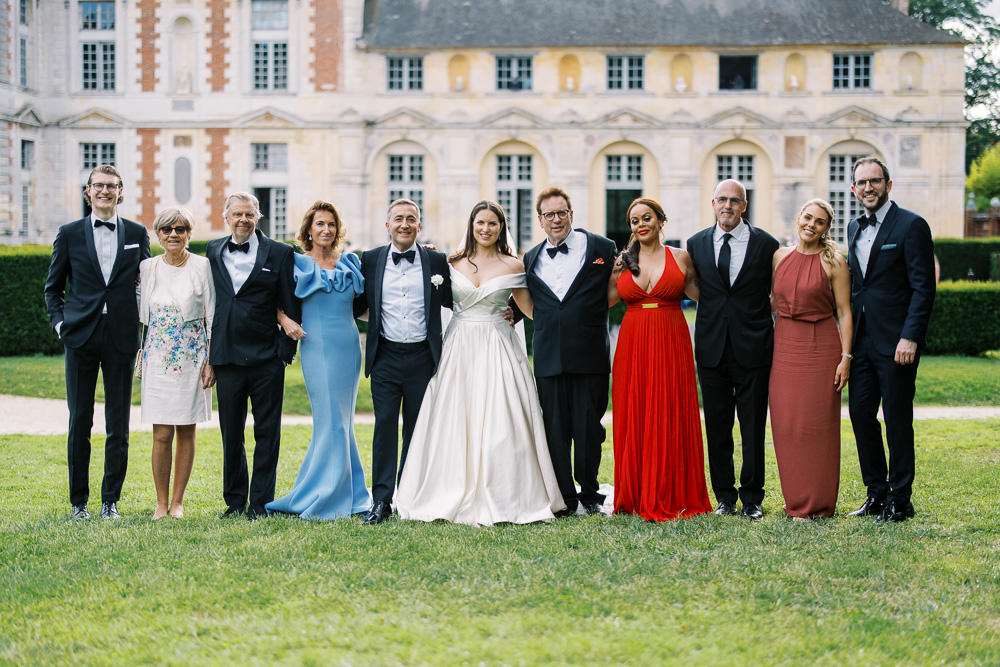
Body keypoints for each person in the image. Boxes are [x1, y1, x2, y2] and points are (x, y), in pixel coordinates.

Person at [396, 201, 565, 525]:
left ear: (501, 228)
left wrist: (515, 313)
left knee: (503, 416)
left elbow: (531, 310)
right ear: (471, 226)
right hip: (459, 346)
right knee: (455, 415)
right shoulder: (449, 262)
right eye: (480, 223)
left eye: (492, 224)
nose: (486, 229)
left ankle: (506, 490)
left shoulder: (514, 265)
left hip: (498, 345)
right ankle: (447, 486)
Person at [43, 164, 150, 520]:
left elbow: (149, 284)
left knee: (118, 423)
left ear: (122, 192)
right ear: (88, 192)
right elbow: (53, 289)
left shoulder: (137, 232)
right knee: (80, 420)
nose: (105, 191)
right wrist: (61, 326)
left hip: (121, 338)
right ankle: (78, 503)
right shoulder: (69, 233)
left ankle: (110, 501)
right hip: (81, 337)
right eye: (98, 186)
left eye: (112, 186)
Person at [514, 186, 617, 516]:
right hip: (548, 356)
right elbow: (529, 302)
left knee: (590, 428)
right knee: (554, 431)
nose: (556, 219)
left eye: (561, 213)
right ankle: (563, 496)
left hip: (589, 354)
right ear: (540, 220)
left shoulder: (601, 247)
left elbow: (614, 287)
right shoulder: (530, 258)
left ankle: (589, 492)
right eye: (549, 215)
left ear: (571, 215)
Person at [608, 197, 712, 521]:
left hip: (671, 338)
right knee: (635, 410)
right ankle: (635, 492)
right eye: (635, 220)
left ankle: (673, 490)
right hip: (633, 341)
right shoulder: (622, 262)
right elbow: (599, 301)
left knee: (671, 409)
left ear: (660, 220)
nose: (641, 224)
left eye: (647, 217)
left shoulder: (681, 258)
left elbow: (707, 295)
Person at [846, 156, 935, 523]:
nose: (868, 187)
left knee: (898, 419)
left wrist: (910, 337)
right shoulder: (852, 227)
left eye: (875, 181)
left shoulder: (912, 225)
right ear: (853, 189)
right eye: (862, 182)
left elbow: (923, 288)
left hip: (897, 343)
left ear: (888, 184)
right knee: (860, 414)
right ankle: (876, 494)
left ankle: (902, 498)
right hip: (862, 343)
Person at [353, 199, 453, 525]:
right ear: (388, 225)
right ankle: (381, 500)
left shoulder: (437, 260)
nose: (405, 224)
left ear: (419, 225)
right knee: (384, 427)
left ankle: (409, 496)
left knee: (416, 430)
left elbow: (459, 297)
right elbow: (356, 305)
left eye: (412, 219)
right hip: (385, 357)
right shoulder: (369, 260)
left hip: (423, 357)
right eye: (399, 219)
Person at [268, 201, 370, 520]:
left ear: (337, 230)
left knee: (342, 422)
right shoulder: (295, 262)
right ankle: (325, 494)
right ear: (308, 229)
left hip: (348, 347)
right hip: (316, 347)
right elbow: (267, 299)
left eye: (331, 224)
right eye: (319, 224)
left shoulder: (350, 263)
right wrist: (285, 321)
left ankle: (347, 492)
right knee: (330, 421)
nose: (326, 229)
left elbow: (368, 307)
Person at [686, 179, 779, 521]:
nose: (727, 205)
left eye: (734, 201)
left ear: (744, 205)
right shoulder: (695, 244)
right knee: (717, 427)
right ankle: (724, 496)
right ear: (713, 203)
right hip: (711, 349)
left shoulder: (766, 244)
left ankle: (752, 497)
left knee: (753, 426)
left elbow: (777, 292)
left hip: (754, 347)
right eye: (722, 200)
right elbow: (696, 288)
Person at [207, 192, 299, 521]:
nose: (243, 219)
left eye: (249, 214)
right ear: (226, 217)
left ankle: (260, 503)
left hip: (266, 359)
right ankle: (234, 502)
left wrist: (284, 355)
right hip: (227, 356)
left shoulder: (281, 252)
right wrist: (210, 357)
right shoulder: (213, 250)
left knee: (267, 434)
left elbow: (290, 304)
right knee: (230, 434)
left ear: (258, 217)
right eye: (237, 214)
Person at [769, 199, 853, 521]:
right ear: (798, 218)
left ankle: (818, 504)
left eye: (819, 222)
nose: (811, 225)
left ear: (826, 228)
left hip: (821, 346)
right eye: (808, 218)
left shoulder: (834, 262)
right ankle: (795, 502)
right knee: (787, 425)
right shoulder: (779, 257)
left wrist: (846, 358)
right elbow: (773, 302)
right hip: (784, 345)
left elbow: (844, 313)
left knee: (817, 427)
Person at [138, 207, 216, 520]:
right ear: (158, 234)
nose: (174, 234)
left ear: (188, 234)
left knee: (186, 429)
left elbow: (212, 313)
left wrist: (212, 359)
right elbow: (142, 315)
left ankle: (178, 502)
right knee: (161, 433)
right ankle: (160, 503)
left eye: (180, 229)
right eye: (167, 229)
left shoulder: (202, 266)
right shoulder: (148, 267)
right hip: (158, 358)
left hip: (193, 359)